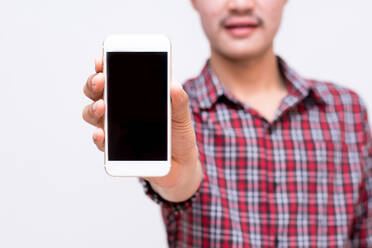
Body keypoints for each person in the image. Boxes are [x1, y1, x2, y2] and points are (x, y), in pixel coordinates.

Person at [82, 0, 372, 247]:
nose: (240, 5)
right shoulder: (170, 115)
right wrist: (175, 182)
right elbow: (178, 188)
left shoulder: (345, 110)